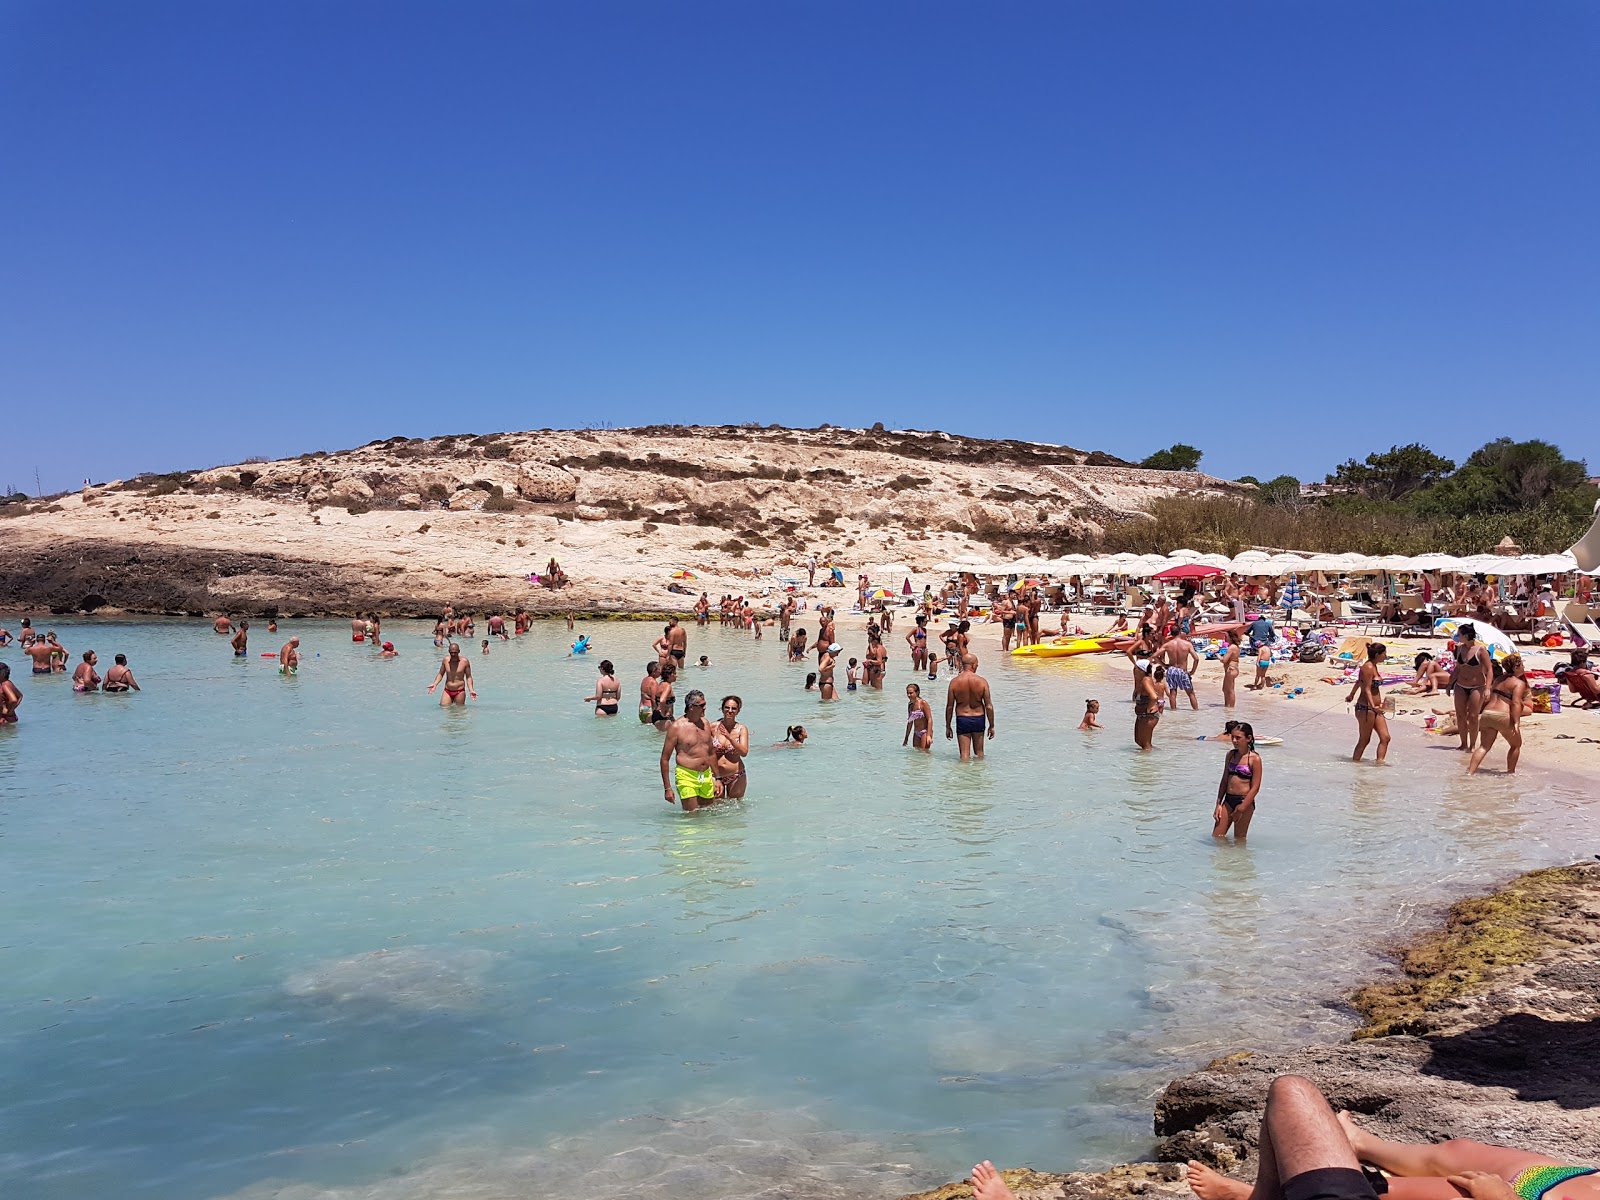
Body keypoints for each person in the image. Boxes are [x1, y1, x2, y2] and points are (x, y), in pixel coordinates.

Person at [1179, 1075, 1600, 1200]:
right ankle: (1363, 1146)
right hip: (1570, 1185)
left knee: (1292, 1092)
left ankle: (1263, 1199)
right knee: (1462, 1154)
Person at [659, 689, 719, 812]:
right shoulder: (676, 727)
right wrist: (667, 788)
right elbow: (665, 759)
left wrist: (718, 778)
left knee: (709, 814)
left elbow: (711, 753)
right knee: (692, 818)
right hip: (686, 775)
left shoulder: (705, 724)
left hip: (706, 775)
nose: (705, 708)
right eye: (702, 705)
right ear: (691, 707)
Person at [1469, 655, 1527, 776]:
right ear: (1516, 667)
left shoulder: (1499, 679)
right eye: (1522, 665)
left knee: (1484, 747)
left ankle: (1470, 772)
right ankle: (1510, 773)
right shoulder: (1519, 683)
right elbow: (1515, 702)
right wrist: (1516, 722)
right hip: (1503, 715)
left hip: (1487, 713)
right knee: (1516, 745)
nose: (1524, 667)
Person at [1213, 721, 1262, 840]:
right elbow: (1224, 780)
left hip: (1244, 802)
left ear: (1248, 738)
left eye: (1238, 738)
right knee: (1217, 837)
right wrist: (1218, 804)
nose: (1234, 741)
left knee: (1239, 839)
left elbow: (1255, 787)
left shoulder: (1254, 759)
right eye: (1232, 737)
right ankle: (1224, 859)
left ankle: (1239, 860)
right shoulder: (1230, 755)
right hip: (1228, 800)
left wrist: (1241, 808)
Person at [1346, 642, 1391, 762]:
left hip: (1375, 708)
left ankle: (1379, 765)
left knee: (1385, 737)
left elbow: (1359, 681)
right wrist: (1372, 706)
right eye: (1384, 654)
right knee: (1364, 740)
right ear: (1377, 654)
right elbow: (1366, 689)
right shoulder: (1368, 667)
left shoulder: (1374, 666)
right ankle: (1356, 766)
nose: (1385, 656)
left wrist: (1351, 694)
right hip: (1366, 708)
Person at [945, 653, 995, 761]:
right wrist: (991, 725)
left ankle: (964, 777)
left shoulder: (954, 682)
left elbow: (949, 706)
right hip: (979, 718)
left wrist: (948, 726)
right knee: (979, 754)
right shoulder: (982, 682)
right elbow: (989, 706)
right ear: (972, 665)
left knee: (964, 756)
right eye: (977, 664)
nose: (977, 666)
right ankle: (979, 776)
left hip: (962, 719)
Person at [1452, 624, 1493, 752]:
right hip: (1460, 685)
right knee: (1460, 715)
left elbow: (1489, 670)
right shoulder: (1459, 649)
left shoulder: (1481, 650)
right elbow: (1457, 668)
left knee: (1473, 716)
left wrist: (1487, 688)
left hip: (1477, 686)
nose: (1457, 637)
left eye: (1459, 635)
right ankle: (1463, 743)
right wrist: (1449, 684)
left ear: (1465, 636)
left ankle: (1472, 745)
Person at [711, 695, 750, 798]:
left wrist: (730, 738)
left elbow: (744, 752)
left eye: (734, 708)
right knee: (715, 809)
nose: (730, 710)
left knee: (735, 810)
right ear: (722, 708)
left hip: (736, 775)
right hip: (715, 776)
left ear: (738, 711)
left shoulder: (742, 729)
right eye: (727, 707)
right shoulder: (712, 727)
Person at [1161, 631, 1200, 711]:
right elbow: (1196, 658)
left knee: (1173, 692)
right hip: (1182, 670)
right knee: (1190, 693)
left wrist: (1163, 665)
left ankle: (1173, 712)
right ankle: (1196, 712)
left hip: (1171, 670)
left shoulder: (1167, 644)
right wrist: (1192, 671)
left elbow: (1155, 656)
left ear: (1171, 634)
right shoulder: (1187, 644)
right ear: (1179, 633)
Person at [1134, 662, 1166, 751]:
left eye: (1136, 668)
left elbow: (1154, 696)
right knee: (1138, 741)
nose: (1134, 670)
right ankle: (1156, 754)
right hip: (1142, 715)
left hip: (1148, 716)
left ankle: (1145, 764)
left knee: (1145, 745)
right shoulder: (1142, 680)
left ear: (1141, 670)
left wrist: (1151, 707)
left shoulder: (1146, 680)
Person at [903, 683, 933, 750]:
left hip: (925, 732)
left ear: (917, 692)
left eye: (911, 693)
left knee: (924, 753)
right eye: (907, 693)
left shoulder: (923, 703)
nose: (909, 695)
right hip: (916, 732)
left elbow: (930, 719)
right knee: (916, 754)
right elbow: (910, 722)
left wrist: (928, 735)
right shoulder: (910, 705)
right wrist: (906, 738)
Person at [652, 663, 678, 730]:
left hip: (658, 715)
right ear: (669, 675)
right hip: (663, 717)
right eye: (674, 673)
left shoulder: (661, 684)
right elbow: (662, 700)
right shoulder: (667, 686)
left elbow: (654, 699)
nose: (676, 676)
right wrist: (663, 714)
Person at [1221, 629, 1242, 708]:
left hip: (1231, 669)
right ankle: (1227, 706)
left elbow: (1224, 660)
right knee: (1225, 689)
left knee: (1230, 690)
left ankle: (1231, 707)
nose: (1225, 638)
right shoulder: (1235, 647)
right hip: (1233, 669)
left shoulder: (1232, 647)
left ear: (1230, 637)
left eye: (1226, 636)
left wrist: (1219, 656)